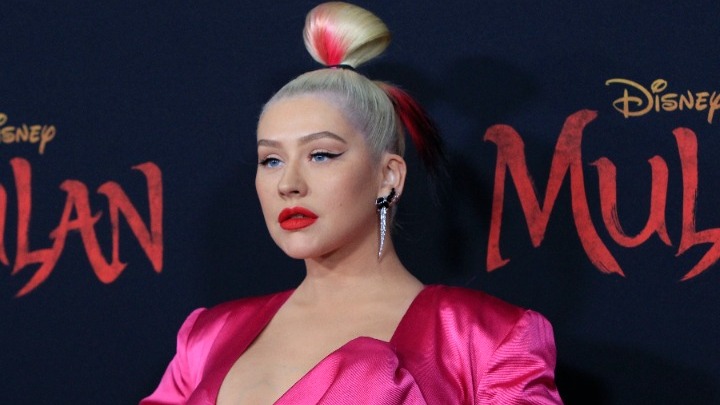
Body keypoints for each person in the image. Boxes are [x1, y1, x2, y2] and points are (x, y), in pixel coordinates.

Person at [141, 2, 562, 404]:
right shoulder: (206, 338)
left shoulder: (485, 341)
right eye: (271, 160)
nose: (289, 184)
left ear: (388, 176)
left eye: (321, 155)